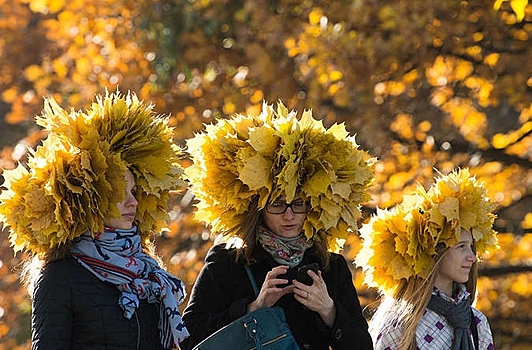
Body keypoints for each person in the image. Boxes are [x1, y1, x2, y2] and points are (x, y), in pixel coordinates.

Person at [0, 91, 190, 349]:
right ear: (92, 200)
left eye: (133, 192)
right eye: (117, 194)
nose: (131, 202)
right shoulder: (59, 277)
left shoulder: (149, 274)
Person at [179, 101, 376, 350]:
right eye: (277, 205)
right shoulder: (229, 261)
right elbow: (188, 337)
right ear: (258, 209)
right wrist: (255, 307)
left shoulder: (331, 266)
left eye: (299, 204)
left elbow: (362, 346)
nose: (289, 215)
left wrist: (329, 311)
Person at [355, 168, 498, 350]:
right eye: (461, 247)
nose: (472, 257)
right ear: (434, 253)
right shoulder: (399, 323)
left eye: (471, 247)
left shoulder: (477, 324)